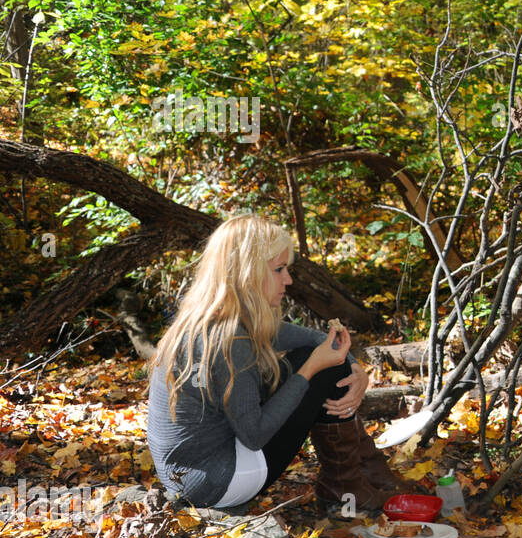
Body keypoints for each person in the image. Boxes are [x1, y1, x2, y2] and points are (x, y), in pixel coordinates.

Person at [147, 214, 414, 511]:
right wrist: (311, 368)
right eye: (279, 269)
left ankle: (368, 474)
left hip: (188, 476)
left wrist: (355, 368)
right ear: (248, 272)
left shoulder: (214, 318)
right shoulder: (229, 338)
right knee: (321, 367)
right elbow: (254, 436)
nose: (288, 280)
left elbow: (315, 339)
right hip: (217, 482)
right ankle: (345, 487)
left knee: (325, 362)